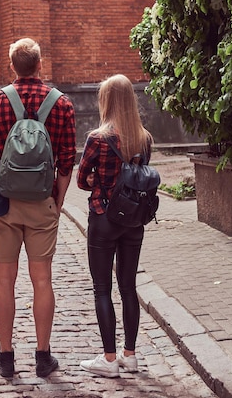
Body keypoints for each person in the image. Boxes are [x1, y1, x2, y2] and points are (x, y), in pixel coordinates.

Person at [0, 37, 77, 378]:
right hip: (42, 203)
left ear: (11, 66)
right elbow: (66, 162)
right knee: (42, 280)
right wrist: (57, 201)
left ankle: (6, 358)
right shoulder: (61, 104)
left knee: (4, 280)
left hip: (2, 205)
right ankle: (43, 357)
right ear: (39, 65)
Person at [76, 74, 153, 378]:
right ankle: (130, 356)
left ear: (106, 101)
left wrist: (96, 179)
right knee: (129, 287)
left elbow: (82, 180)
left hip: (104, 216)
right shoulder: (144, 138)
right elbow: (139, 177)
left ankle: (109, 360)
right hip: (134, 220)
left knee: (102, 289)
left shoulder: (98, 137)